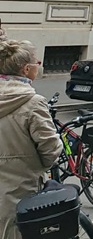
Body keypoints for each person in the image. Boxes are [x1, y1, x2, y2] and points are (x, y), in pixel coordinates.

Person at [0, 40, 63, 239]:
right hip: (19, 187)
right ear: (26, 69)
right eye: (37, 63)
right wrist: (40, 168)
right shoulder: (32, 103)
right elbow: (50, 149)